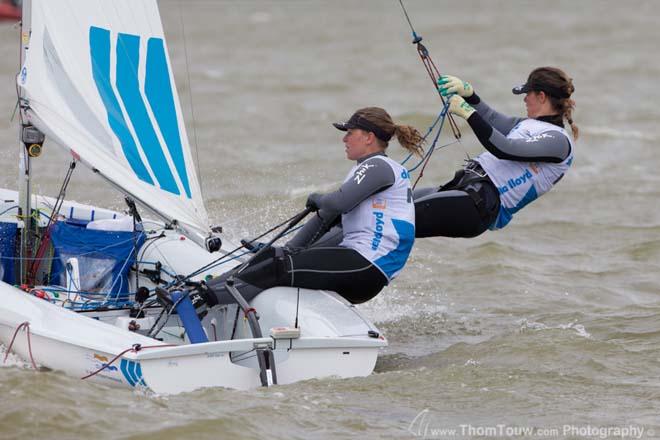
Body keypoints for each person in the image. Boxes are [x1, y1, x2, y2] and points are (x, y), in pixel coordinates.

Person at [191, 107, 424, 310]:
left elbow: (336, 203)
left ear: (369, 138)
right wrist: (287, 249)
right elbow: (328, 216)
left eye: (350, 133)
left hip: (365, 265)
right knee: (274, 259)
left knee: (274, 267)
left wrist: (318, 198)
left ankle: (202, 300)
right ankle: (206, 291)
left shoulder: (377, 166)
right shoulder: (374, 170)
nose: (344, 139)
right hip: (364, 269)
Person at [414, 66, 577, 237]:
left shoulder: (559, 142)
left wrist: (468, 113)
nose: (525, 99)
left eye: (528, 94)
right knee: (394, 202)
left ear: (542, 96)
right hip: (465, 187)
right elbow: (491, 118)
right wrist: (470, 95)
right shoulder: (527, 124)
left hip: (478, 206)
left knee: (400, 217)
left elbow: (505, 149)